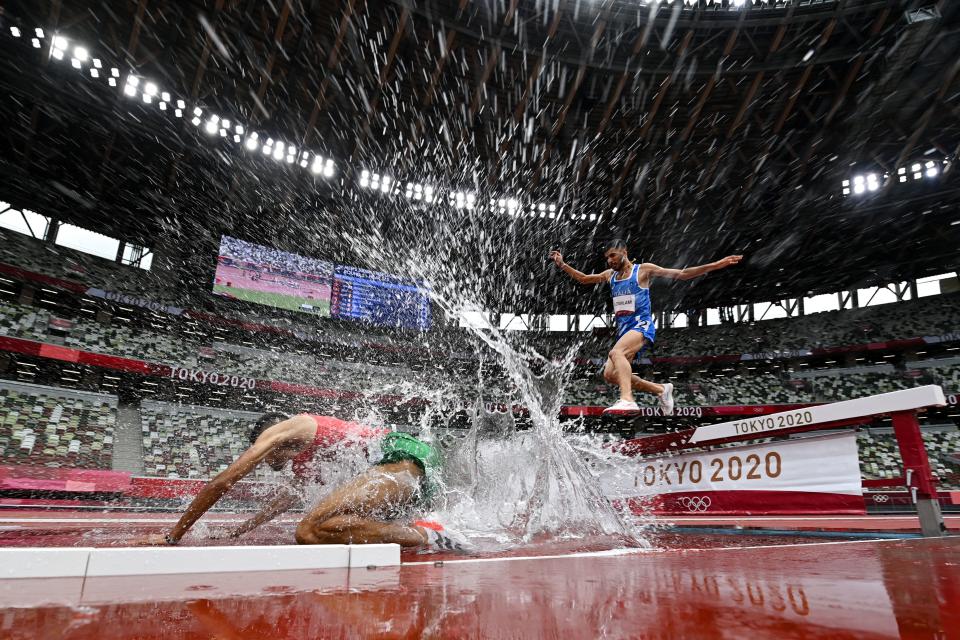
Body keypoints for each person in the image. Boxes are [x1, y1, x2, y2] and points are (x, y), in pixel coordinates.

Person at [137, 412, 467, 551]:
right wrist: (241, 529)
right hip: (403, 474)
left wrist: (172, 537)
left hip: (403, 455)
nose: (269, 464)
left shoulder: (287, 429)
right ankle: (425, 529)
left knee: (307, 530)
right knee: (326, 527)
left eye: (267, 457)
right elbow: (285, 500)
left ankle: (430, 535)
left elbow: (222, 482)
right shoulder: (305, 462)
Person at [550, 240, 742, 415]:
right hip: (624, 329)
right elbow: (584, 278)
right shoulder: (610, 276)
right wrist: (562, 265)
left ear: (624, 251)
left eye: (613, 255)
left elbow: (682, 274)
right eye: (607, 257)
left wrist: (717, 264)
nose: (609, 260)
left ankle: (627, 399)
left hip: (641, 325)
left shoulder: (643, 270)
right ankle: (661, 389)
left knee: (616, 354)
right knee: (609, 375)